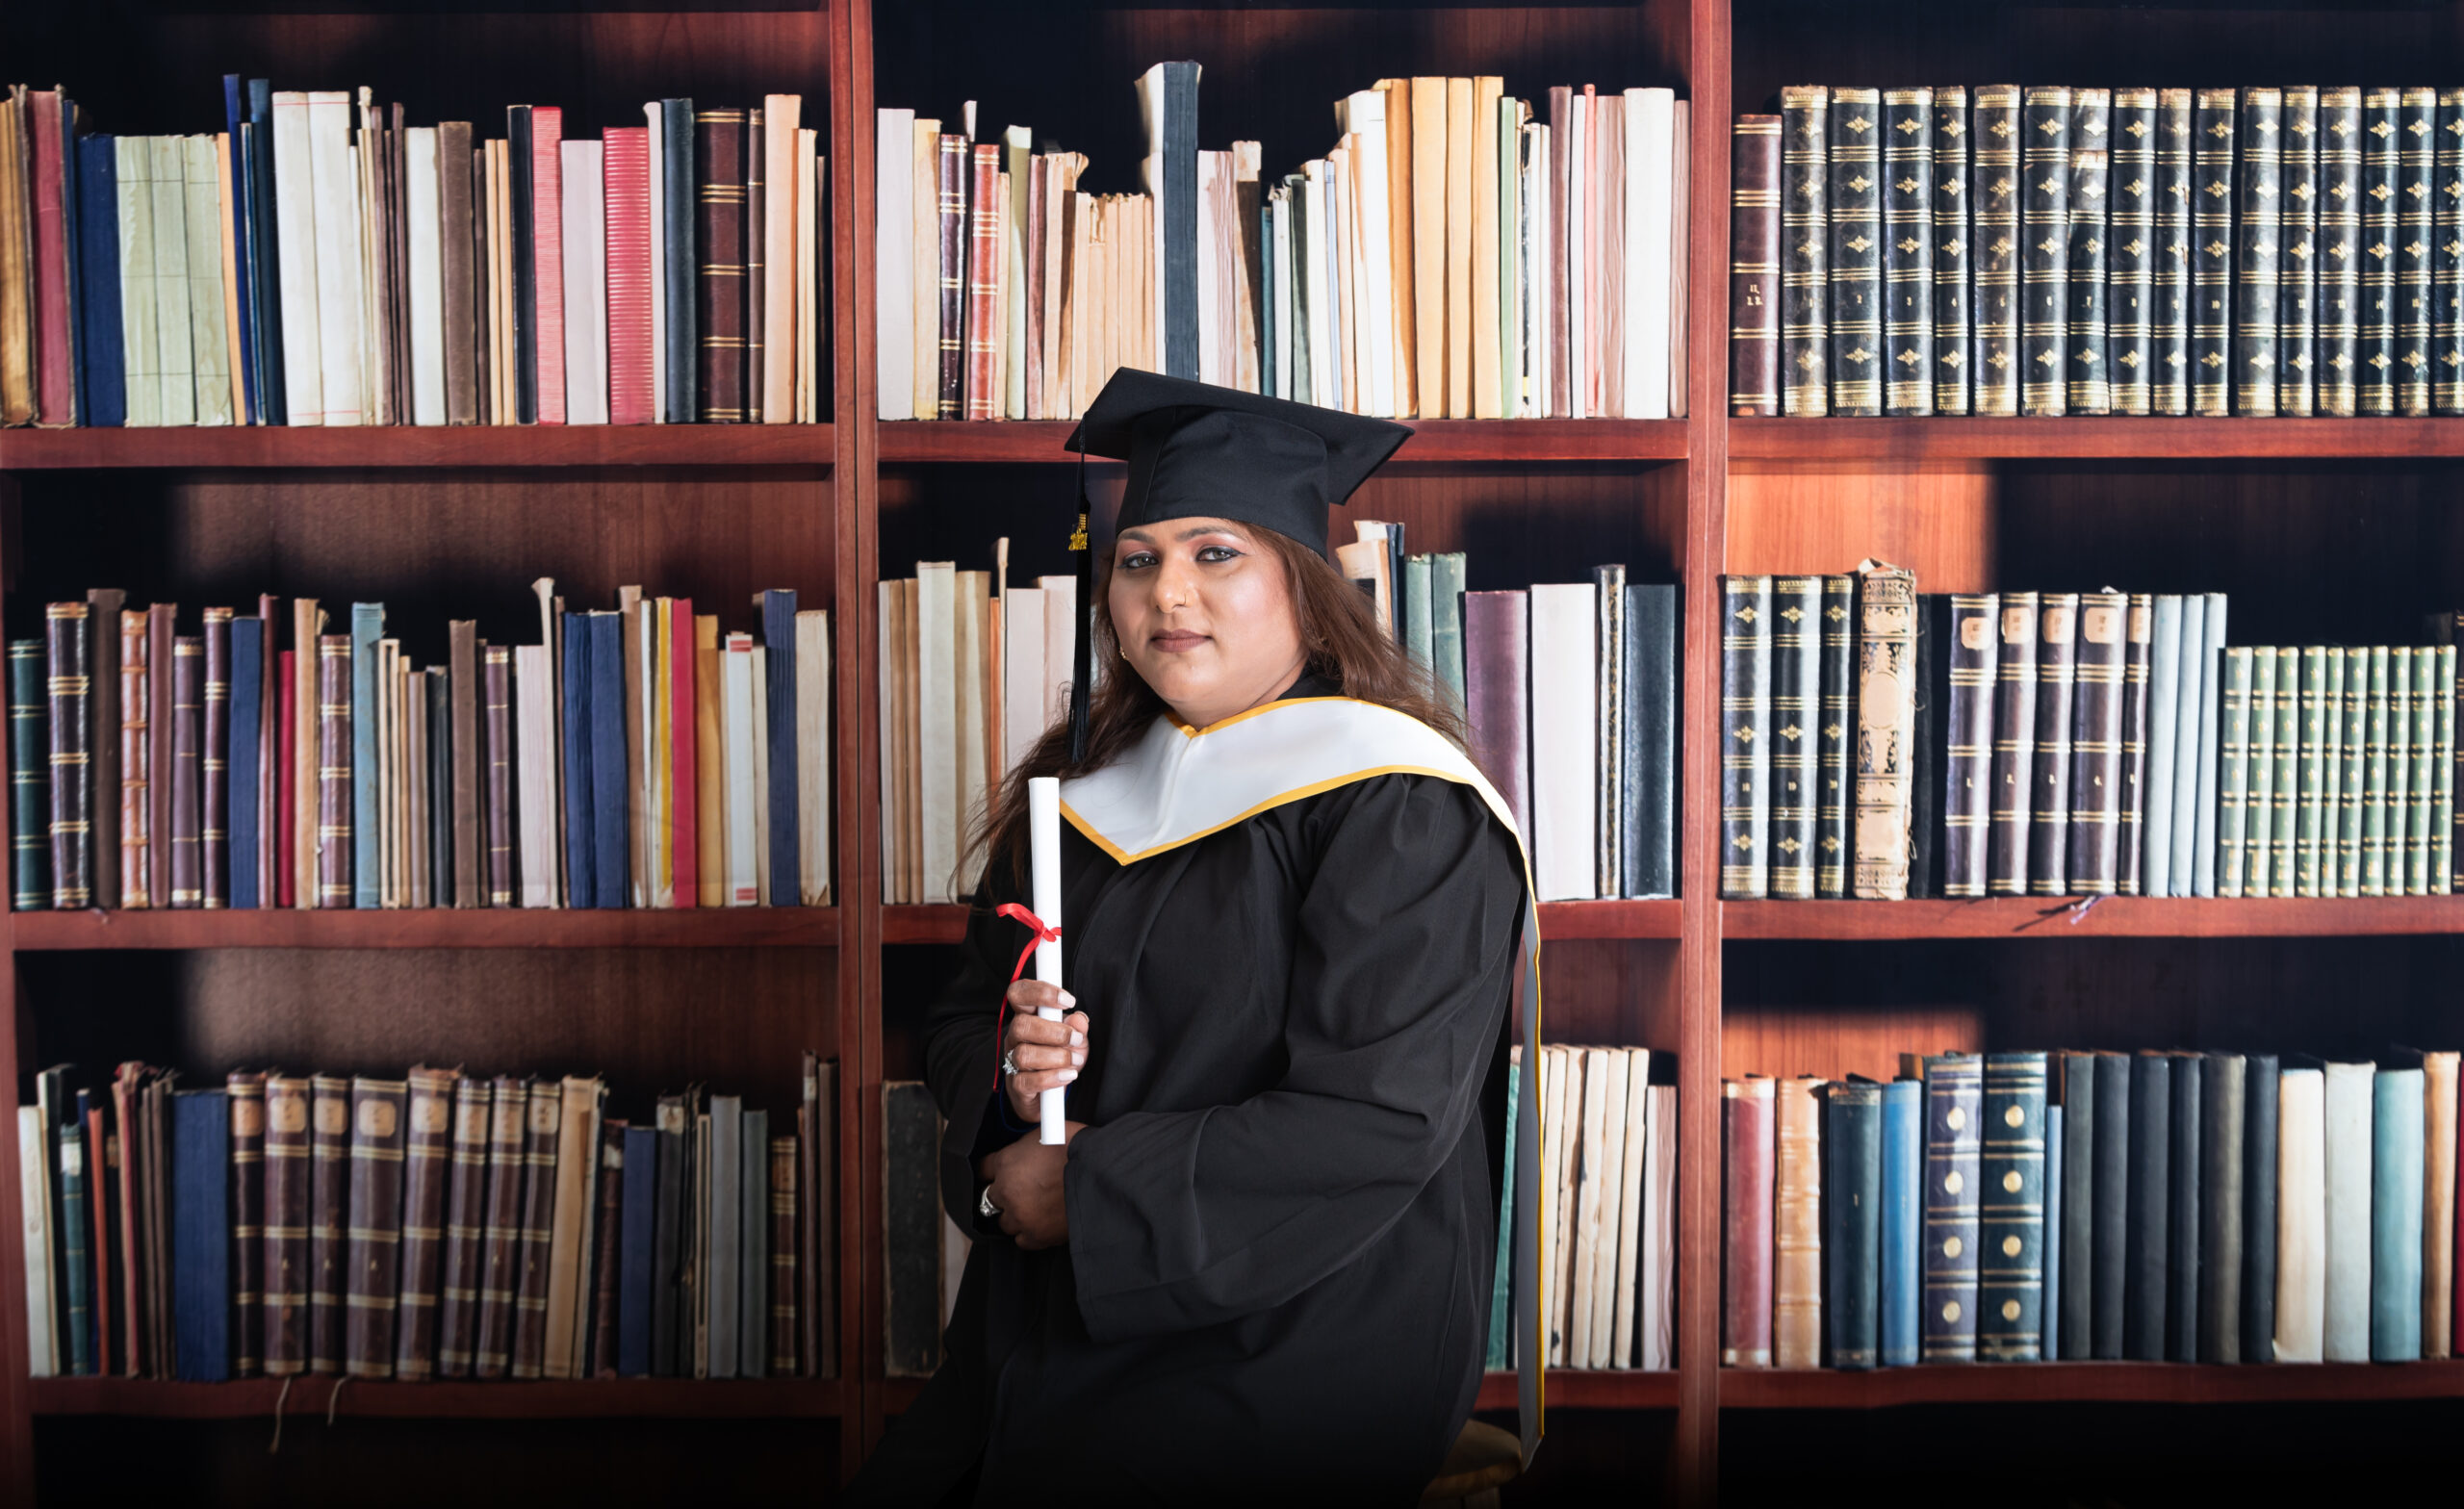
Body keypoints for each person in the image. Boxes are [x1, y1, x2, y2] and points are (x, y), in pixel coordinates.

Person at [848, 371, 1541, 1507]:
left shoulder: (1400, 808)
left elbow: (1375, 1120)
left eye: (1216, 552)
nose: (1167, 590)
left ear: (1304, 586)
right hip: (1041, 1325)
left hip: (1293, 1344)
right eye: (1137, 558)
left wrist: (1086, 1195)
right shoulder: (1078, 797)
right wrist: (1012, 1082)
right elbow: (966, 1012)